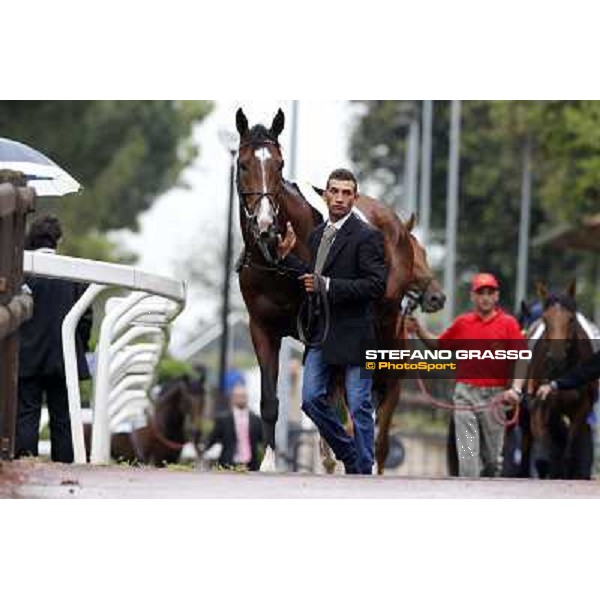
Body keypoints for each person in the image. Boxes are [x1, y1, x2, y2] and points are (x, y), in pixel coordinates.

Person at [277, 168, 387, 475]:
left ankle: (363, 470)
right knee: (310, 400)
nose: (339, 198)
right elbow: (314, 277)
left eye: (346, 193)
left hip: (356, 334)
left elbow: (376, 286)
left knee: (359, 404)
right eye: (334, 191)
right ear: (325, 195)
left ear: (354, 197)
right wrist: (288, 258)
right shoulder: (316, 235)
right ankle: (350, 454)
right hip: (322, 334)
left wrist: (328, 285)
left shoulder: (368, 237)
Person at [408, 273, 525, 478]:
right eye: (481, 293)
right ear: (473, 296)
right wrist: (419, 330)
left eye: (490, 292)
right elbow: (438, 345)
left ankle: (487, 494)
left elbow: (522, 359)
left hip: (495, 398)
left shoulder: (509, 324)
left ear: (497, 296)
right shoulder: (463, 323)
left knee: (492, 462)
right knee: (468, 458)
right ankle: (469, 497)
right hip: (465, 395)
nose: (485, 297)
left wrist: (515, 389)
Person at [15, 215, 93, 463]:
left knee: (27, 414)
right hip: (64, 357)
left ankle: (26, 464)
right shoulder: (73, 273)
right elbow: (86, 317)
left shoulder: (22, 271)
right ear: (58, 239)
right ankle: (65, 469)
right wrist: (79, 344)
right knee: (63, 418)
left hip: (27, 355)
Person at [203, 370, 263, 471]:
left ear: (247, 398)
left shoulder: (256, 420)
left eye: (243, 396)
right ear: (233, 398)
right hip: (228, 464)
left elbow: (264, 440)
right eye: (238, 396)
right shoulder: (224, 420)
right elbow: (211, 439)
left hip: (251, 465)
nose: (241, 399)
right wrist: (201, 449)